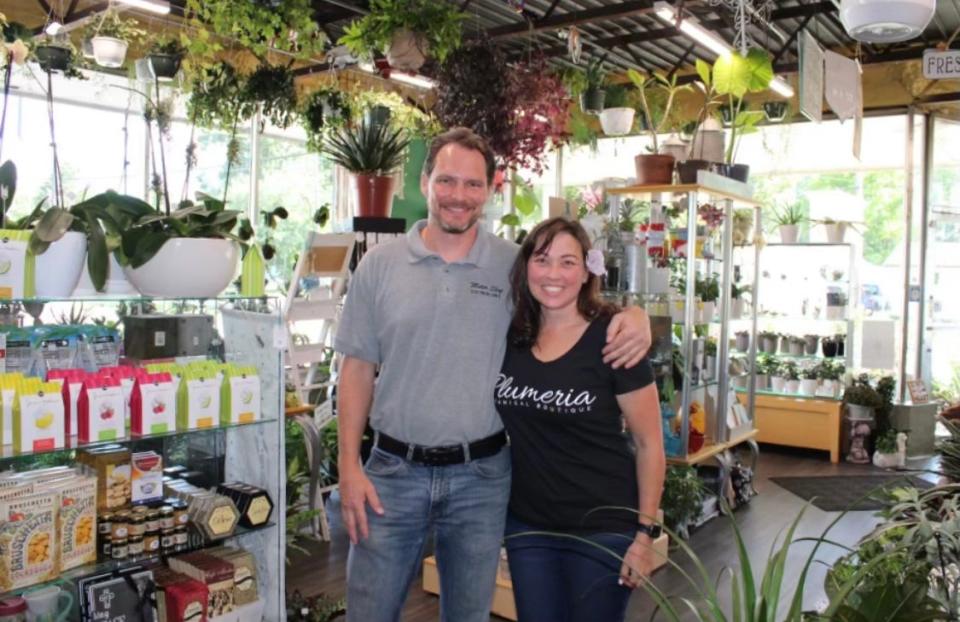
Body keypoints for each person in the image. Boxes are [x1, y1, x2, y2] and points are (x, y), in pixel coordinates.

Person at [334, 127, 652, 622]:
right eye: (446, 181)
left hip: (480, 480)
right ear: (425, 181)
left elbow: (566, 300)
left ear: (490, 189)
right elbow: (356, 369)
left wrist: (635, 317)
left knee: (468, 615)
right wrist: (348, 465)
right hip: (391, 474)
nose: (458, 196)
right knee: (368, 612)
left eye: (472, 184)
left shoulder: (512, 266)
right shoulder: (379, 265)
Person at [496, 217, 666, 622]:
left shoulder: (615, 338)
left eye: (568, 262)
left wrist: (644, 536)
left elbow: (649, 444)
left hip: (604, 528)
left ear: (588, 269)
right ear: (526, 268)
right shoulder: (510, 337)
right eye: (542, 259)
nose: (554, 273)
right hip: (529, 526)